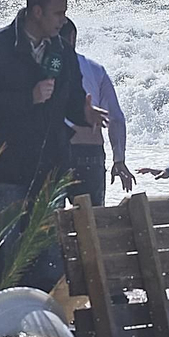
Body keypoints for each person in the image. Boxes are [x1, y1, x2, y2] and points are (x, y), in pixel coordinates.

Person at [0, 0, 107, 292]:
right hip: (7, 170)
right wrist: (27, 98)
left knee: (50, 258)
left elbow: (71, 99)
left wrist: (85, 113)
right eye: (58, 13)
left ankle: (49, 314)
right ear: (37, 11)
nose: (62, 20)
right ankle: (8, 316)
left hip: (51, 168)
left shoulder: (62, 51)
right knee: (6, 260)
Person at [61, 18, 134, 206]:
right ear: (72, 37)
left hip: (53, 153)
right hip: (89, 154)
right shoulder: (94, 69)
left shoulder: (39, 67)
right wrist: (119, 159)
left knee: (49, 221)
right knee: (92, 219)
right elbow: (115, 118)